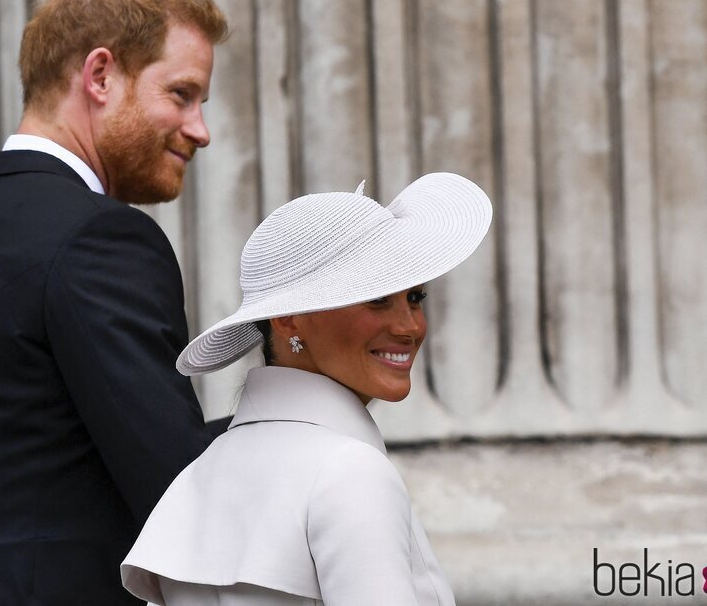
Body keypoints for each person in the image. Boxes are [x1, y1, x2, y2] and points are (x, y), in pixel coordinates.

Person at [0, 0, 228, 606]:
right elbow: (178, 487)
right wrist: (298, 406)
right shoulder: (103, 239)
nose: (199, 128)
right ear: (99, 77)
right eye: (181, 94)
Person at [122, 173, 492, 605]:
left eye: (415, 297)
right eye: (376, 298)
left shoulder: (199, 474)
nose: (410, 326)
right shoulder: (349, 471)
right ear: (289, 318)